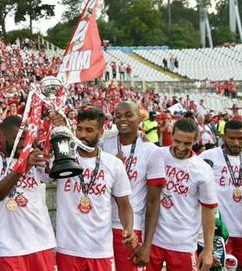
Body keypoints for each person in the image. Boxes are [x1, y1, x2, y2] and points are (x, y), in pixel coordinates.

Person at [53, 108, 136, 271]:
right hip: (68, 248)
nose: (83, 135)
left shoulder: (113, 164)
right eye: (79, 129)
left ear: (101, 132)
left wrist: (128, 229)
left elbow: (124, 205)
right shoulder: (62, 159)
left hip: (100, 250)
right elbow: (43, 174)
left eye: (89, 130)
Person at [0, 115, 56, 271]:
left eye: (26, 139)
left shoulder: (33, 158)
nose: (23, 144)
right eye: (18, 139)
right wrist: (22, 168)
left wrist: (50, 161)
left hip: (42, 243)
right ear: (2, 135)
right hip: (9, 249)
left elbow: (54, 174)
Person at [102, 101, 165, 270]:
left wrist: (147, 245)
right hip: (99, 227)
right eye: (118, 115)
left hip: (129, 230)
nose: (123, 119)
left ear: (140, 118)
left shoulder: (152, 151)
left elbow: (153, 202)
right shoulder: (104, 144)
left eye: (129, 115)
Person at [148, 118, 217, 271]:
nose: (180, 147)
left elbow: (209, 211)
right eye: (177, 141)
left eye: (187, 143)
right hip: (151, 240)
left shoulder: (202, 170)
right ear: (171, 134)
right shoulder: (155, 155)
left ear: (196, 140)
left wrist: (207, 250)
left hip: (183, 244)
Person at [200, 120, 242, 271]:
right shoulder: (207, 157)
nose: (236, 142)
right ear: (223, 136)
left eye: (240, 138)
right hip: (218, 231)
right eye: (231, 138)